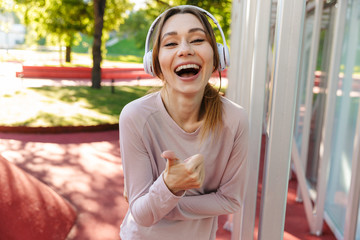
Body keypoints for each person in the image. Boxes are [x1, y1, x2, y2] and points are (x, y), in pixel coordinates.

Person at [119, 5, 248, 240]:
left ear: (218, 55)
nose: (185, 50)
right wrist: (170, 185)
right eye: (170, 43)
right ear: (154, 64)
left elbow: (230, 200)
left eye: (197, 39)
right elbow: (141, 216)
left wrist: (164, 197)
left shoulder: (236, 120)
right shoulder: (134, 116)